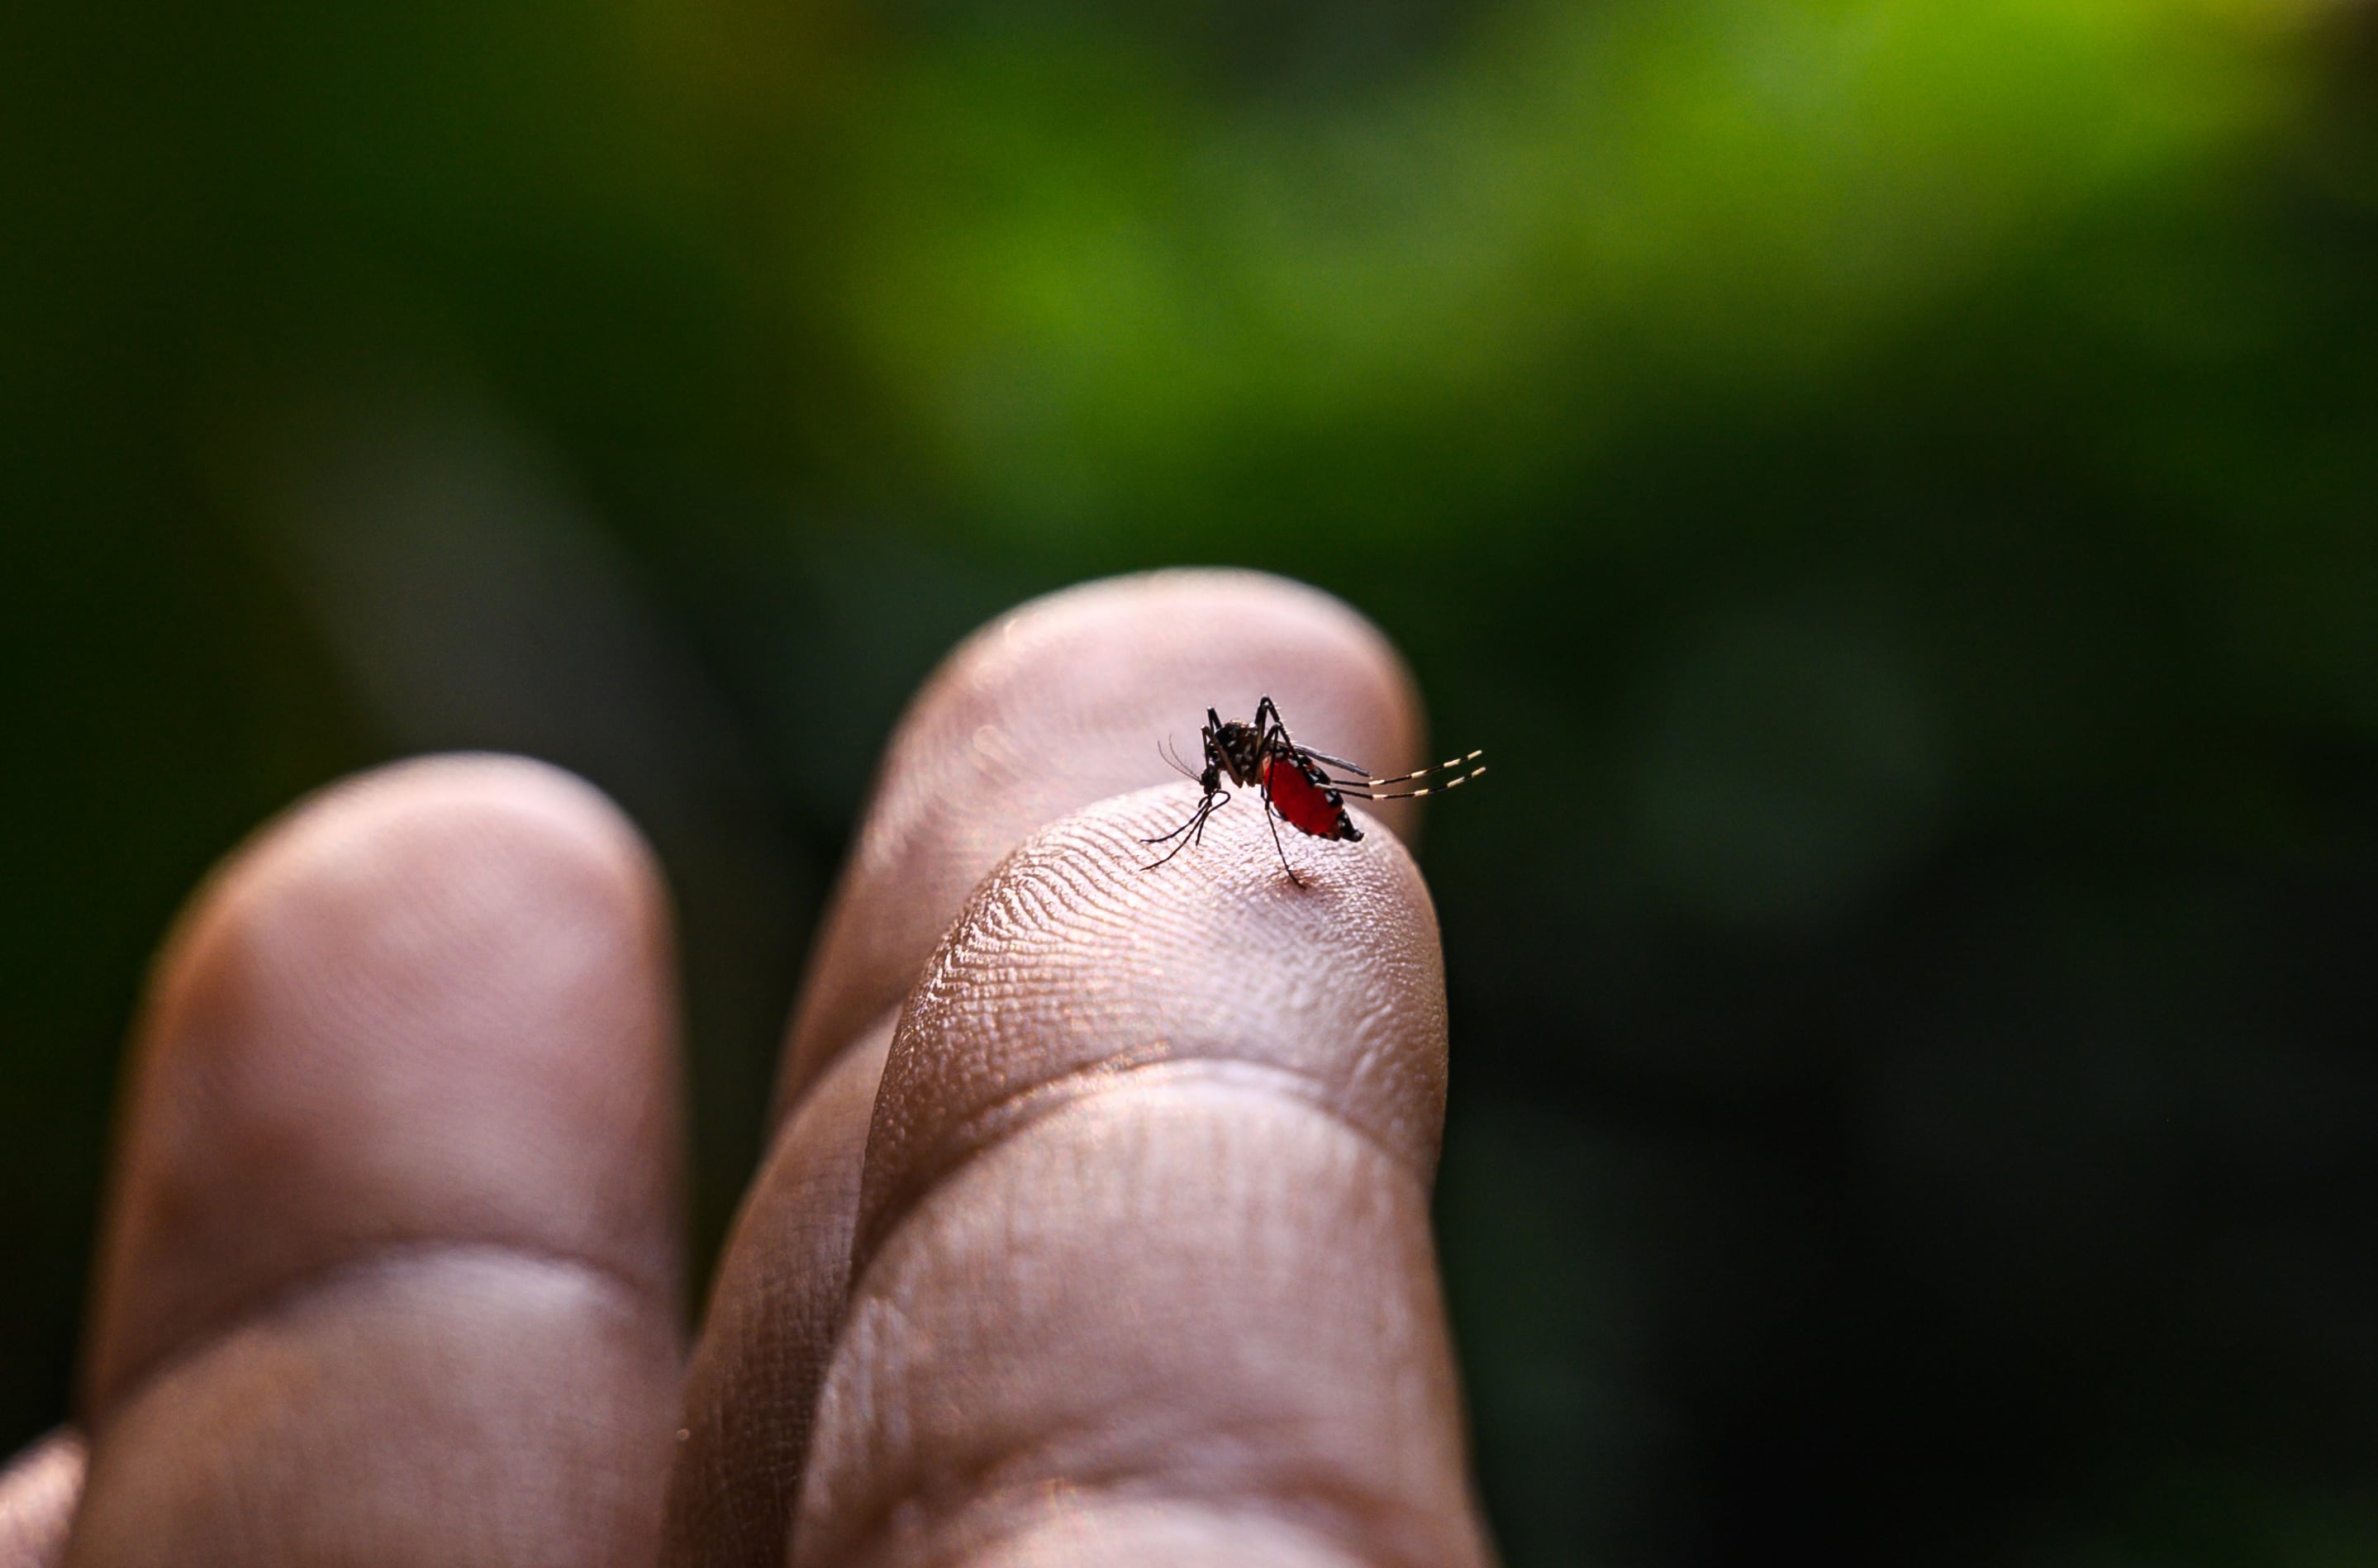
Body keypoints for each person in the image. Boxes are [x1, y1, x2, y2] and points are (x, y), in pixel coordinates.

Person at [0, 571, 1493, 1568]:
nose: (1235, 759)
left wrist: (1278, 807)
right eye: (1244, 761)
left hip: (1305, 850)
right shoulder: (1231, 762)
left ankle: (1361, 804)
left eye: (1237, 761)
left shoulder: (1259, 768)